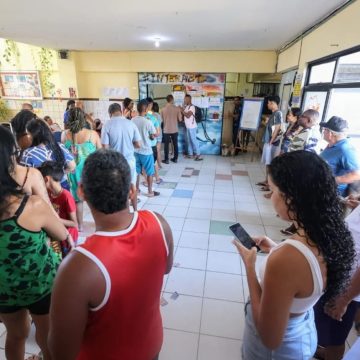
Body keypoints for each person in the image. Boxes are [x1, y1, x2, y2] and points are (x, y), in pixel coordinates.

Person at [49, 149, 173, 360]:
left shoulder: (78, 267)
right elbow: (166, 268)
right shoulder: (158, 223)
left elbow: (61, 353)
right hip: (151, 345)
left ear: (81, 191)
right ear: (132, 191)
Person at [233, 151, 355, 360]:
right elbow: (305, 277)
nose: (270, 197)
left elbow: (269, 338)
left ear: (291, 198)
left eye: (272, 191)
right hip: (302, 331)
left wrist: (250, 267)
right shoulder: (329, 232)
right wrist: (274, 249)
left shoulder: (287, 259)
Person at [0, 124, 72, 360]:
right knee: (45, 332)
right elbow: (61, 234)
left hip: (4, 289)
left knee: (15, 334)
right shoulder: (31, 206)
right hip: (39, 285)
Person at [314, 197, 360, 360]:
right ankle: (323, 350)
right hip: (338, 277)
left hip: (348, 286)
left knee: (335, 337)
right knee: (327, 329)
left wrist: (344, 299)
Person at [62, 107, 102, 231]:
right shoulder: (92, 134)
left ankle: (80, 226)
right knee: (94, 200)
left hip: (73, 173)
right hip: (90, 173)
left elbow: (64, 154)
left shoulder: (65, 134)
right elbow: (101, 154)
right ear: (84, 119)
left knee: (78, 201)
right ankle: (100, 225)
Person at [101, 103, 141, 210]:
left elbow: (105, 147)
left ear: (110, 113)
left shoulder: (107, 125)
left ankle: (125, 212)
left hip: (115, 163)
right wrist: (128, 145)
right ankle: (136, 211)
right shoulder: (130, 123)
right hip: (130, 161)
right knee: (132, 186)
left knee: (119, 189)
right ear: (121, 111)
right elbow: (138, 144)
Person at [20, 118, 76, 191]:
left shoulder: (28, 154)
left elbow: (24, 179)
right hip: (61, 186)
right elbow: (72, 166)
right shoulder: (59, 147)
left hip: (40, 190)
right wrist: (60, 173)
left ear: (31, 135)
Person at [39, 161, 79, 253]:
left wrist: (54, 220)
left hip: (68, 238)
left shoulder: (66, 196)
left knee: (67, 260)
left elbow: (74, 223)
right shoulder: (48, 193)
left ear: (46, 179)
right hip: (57, 233)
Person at [320, 116, 360, 197]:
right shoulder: (332, 145)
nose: (323, 131)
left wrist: (333, 180)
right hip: (320, 188)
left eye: (325, 130)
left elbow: (356, 175)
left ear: (331, 134)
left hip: (330, 195)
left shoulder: (345, 149)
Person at [133, 100, 160, 197]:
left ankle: (137, 191)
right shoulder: (147, 121)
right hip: (146, 151)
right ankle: (150, 192)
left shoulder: (132, 120)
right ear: (146, 109)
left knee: (136, 172)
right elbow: (154, 135)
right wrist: (151, 136)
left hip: (135, 151)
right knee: (149, 172)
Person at [256, 95, 283, 192]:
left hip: (272, 143)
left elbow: (277, 128)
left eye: (268, 103)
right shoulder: (273, 113)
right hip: (269, 141)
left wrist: (271, 141)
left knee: (271, 163)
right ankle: (267, 180)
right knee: (268, 163)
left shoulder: (278, 114)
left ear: (272, 103)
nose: (267, 104)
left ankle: (270, 184)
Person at [160, 94, 182, 164]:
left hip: (166, 129)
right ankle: (175, 158)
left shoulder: (162, 109)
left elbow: (161, 120)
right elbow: (180, 119)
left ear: (167, 100)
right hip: (174, 129)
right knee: (175, 144)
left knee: (166, 145)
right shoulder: (177, 109)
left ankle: (166, 160)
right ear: (172, 100)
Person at [146, 98, 163, 184]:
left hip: (143, 145)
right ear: (150, 105)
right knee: (154, 161)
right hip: (152, 143)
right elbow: (157, 133)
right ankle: (157, 178)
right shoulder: (153, 117)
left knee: (145, 164)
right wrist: (153, 135)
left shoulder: (138, 118)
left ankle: (147, 181)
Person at [181, 94, 203, 161]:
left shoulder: (192, 107)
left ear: (189, 99)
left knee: (194, 140)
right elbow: (185, 115)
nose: (184, 100)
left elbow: (187, 115)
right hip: (188, 126)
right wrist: (182, 108)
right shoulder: (187, 106)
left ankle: (198, 155)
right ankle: (190, 154)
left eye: (185, 99)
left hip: (192, 127)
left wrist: (181, 110)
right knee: (189, 141)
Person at [152, 102, 163, 169]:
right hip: (159, 134)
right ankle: (159, 164)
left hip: (154, 134)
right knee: (158, 150)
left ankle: (156, 165)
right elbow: (161, 123)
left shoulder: (151, 115)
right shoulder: (159, 115)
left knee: (154, 151)